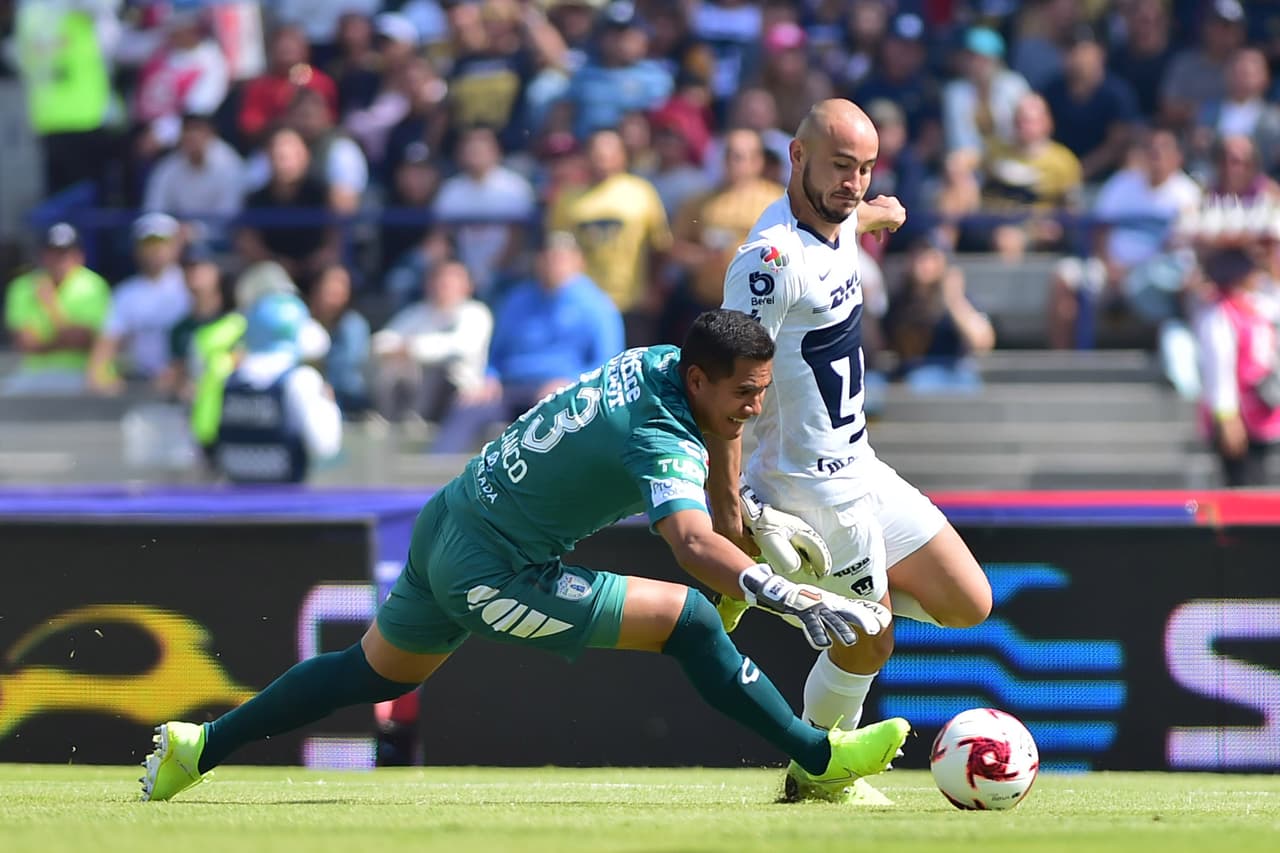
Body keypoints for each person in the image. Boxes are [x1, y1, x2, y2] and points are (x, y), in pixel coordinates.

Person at [141, 309, 908, 802]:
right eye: (746, 390)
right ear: (701, 379)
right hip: (495, 568)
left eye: (763, 389)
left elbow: (722, 464)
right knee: (689, 623)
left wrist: (743, 521)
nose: (756, 404)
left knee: (364, 671)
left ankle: (197, 746)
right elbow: (689, 541)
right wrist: (791, 594)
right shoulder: (658, 432)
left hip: (452, 515)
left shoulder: (664, 362)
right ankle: (817, 756)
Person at [713, 99, 992, 805]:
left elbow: (841, 230)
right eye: (842, 167)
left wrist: (875, 215)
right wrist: (727, 505)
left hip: (860, 463)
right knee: (870, 640)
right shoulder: (767, 262)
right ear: (797, 158)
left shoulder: (839, 220)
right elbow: (724, 387)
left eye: (866, 169)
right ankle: (819, 774)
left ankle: (791, 589)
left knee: (969, 602)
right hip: (807, 485)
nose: (855, 183)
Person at [431, 233, 624, 453]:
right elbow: (496, 354)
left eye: (560, 257)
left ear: (578, 261)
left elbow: (609, 363)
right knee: (467, 407)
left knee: (550, 419)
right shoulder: (517, 299)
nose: (553, 263)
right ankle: (432, 479)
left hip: (563, 394)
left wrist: (571, 382)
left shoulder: (598, 306)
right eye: (547, 257)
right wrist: (489, 377)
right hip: (510, 388)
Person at [210, 292, 342, 484]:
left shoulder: (229, 378)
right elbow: (325, 446)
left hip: (234, 503)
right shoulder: (301, 379)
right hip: (284, 506)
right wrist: (328, 405)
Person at [1196, 247, 1280, 486]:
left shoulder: (1254, 307)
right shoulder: (1219, 314)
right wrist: (1227, 418)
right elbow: (1219, 369)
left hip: (1263, 408)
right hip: (1239, 416)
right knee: (1244, 486)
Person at [372, 260, 493, 426]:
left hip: (459, 393)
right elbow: (381, 341)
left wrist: (412, 348)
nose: (444, 285)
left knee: (434, 367)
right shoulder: (417, 312)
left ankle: (416, 419)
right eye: (439, 279)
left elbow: (461, 347)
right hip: (410, 390)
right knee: (391, 364)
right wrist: (399, 351)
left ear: (467, 285)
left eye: (451, 280)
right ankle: (389, 418)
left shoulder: (476, 313)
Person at [87, 213, 191, 394]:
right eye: (148, 244)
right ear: (136, 248)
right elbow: (107, 343)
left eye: (161, 242)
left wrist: (180, 376)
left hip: (186, 384)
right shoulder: (125, 293)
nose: (155, 250)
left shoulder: (191, 286)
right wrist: (99, 377)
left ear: (176, 246)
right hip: (139, 385)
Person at [2, 223, 111, 396]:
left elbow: (83, 341)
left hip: (80, 372)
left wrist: (51, 306)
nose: (59, 260)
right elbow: (25, 343)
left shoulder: (94, 286)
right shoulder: (22, 286)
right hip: (35, 374)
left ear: (79, 256)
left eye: (64, 253)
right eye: (52, 252)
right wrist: (63, 340)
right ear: (42, 256)